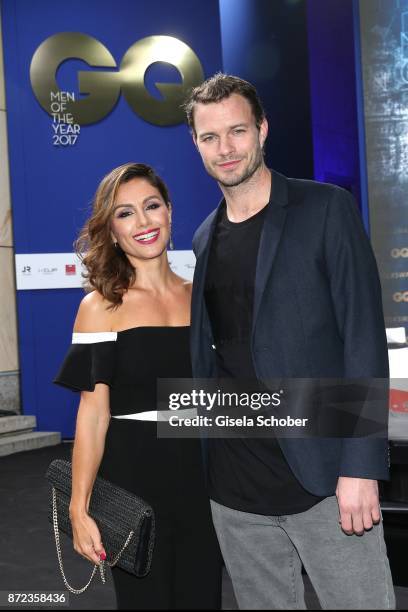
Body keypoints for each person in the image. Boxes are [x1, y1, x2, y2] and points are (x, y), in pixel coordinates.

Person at [183, 74, 396, 610]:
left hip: (324, 479)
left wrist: (361, 467)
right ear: (196, 144)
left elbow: (362, 339)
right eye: (210, 137)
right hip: (235, 489)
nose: (225, 148)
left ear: (262, 130)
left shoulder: (325, 209)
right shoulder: (204, 235)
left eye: (237, 131)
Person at [53, 162, 222, 610]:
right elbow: (93, 415)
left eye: (151, 206)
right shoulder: (100, 306)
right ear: (110, 230)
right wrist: (79, 506)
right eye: (125, 213)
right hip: (134, 481)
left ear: (169, 212)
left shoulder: (202, 297)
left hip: (205, 477)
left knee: (203, 596)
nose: (143, 222)